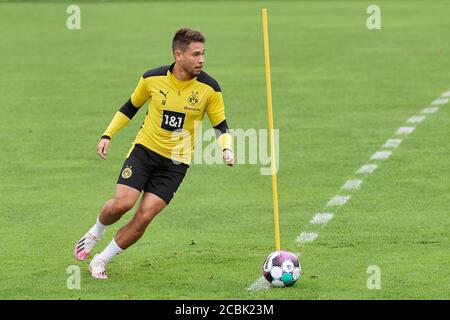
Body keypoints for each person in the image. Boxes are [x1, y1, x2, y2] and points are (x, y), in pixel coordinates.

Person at [74, 28, 234, 279]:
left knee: (144, 216)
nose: (201, 59)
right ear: (178, 55)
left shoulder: (210, 88)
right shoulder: (152, 78)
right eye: (195, 54)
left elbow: (220, 125)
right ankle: (95, 231)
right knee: (123, 203)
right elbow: (130, 107)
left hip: (175, 163)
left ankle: (101, 260)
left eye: (203, 53)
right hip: (144, 151)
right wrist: (107, 135)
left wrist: (226, 148)